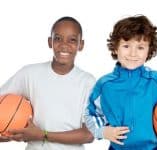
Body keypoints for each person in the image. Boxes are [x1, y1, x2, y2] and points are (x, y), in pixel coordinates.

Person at [84, 15, 157, 150]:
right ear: (116, 48)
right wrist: (102, 131)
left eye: (140, 47)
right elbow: (89, 114)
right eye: (126, 46)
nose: (133, 53)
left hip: (154, 148)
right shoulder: (104, 85)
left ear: (149, 51)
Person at [0, 16, 95, 150]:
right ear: (50, 42)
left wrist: (42, 135)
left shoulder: (88, 82)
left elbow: (89, 134)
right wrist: (3, 132)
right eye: (58, 38)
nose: (64, 45)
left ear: (81, 45)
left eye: (72, 40)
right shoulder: (29, 74)